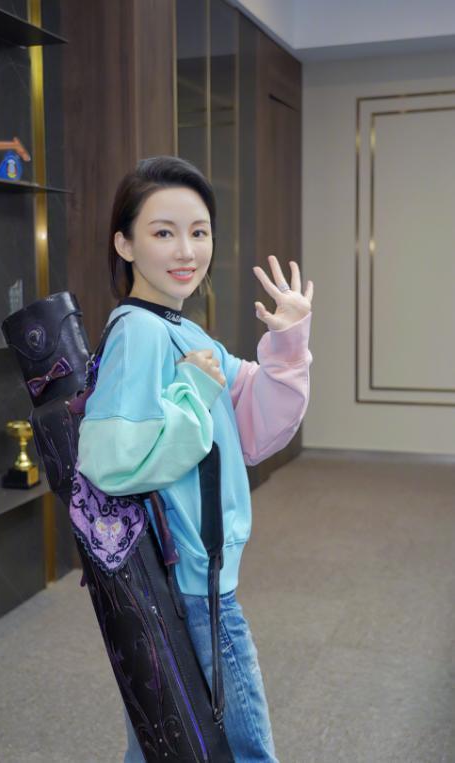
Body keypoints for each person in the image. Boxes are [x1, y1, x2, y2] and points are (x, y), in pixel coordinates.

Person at [77, 156, 313, 762]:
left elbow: (256, 423)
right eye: (163, 232)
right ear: (124, 244)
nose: (186, 250)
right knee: (241, 752)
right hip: (193, 588)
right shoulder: (140, 333)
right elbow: (113, 461)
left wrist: (288, 342)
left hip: (186, 578)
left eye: (199, 231)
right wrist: (193, 392)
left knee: (167, 742)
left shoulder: (181, 330)